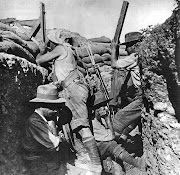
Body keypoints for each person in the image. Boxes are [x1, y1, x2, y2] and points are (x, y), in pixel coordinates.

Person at [36, 29, 102, 174]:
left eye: (50, 42)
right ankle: (84, 157)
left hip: (73, 90)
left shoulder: (60, 48)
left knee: (82, 126)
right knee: (72, 124)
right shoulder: (68, 50)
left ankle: (97, 165)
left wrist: (41, 50)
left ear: (54, 42)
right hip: (74, 88)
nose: (50, 46)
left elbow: (39, 60)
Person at [23, 83, 75, 175]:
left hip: (49, 163)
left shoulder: (44, 120)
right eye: (53, 107)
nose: (56, 111)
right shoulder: (34, 122)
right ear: (42, 106)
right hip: (40, 166)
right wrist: (59, 138)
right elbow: (54, 145)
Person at [91, 91, 146, 174]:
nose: (104, 108)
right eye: (100, 106)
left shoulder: (101, 119)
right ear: (95, 110)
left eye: (104, 105)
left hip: (104, 143)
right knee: (111, 144)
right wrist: (108, 119)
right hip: (97, 151)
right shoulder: (94, 123)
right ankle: (137, 164)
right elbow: (112, 137)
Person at [110, 32, 144, 144]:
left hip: (142, 96)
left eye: (127, 47)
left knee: (119, 118)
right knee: (133, 118)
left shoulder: (134, 57)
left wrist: (114, 49)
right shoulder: (142, 55)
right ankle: (124, 139)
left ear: (134, 46)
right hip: (142, 95)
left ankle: (114, 146)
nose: (127, 50)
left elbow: (114, 64)